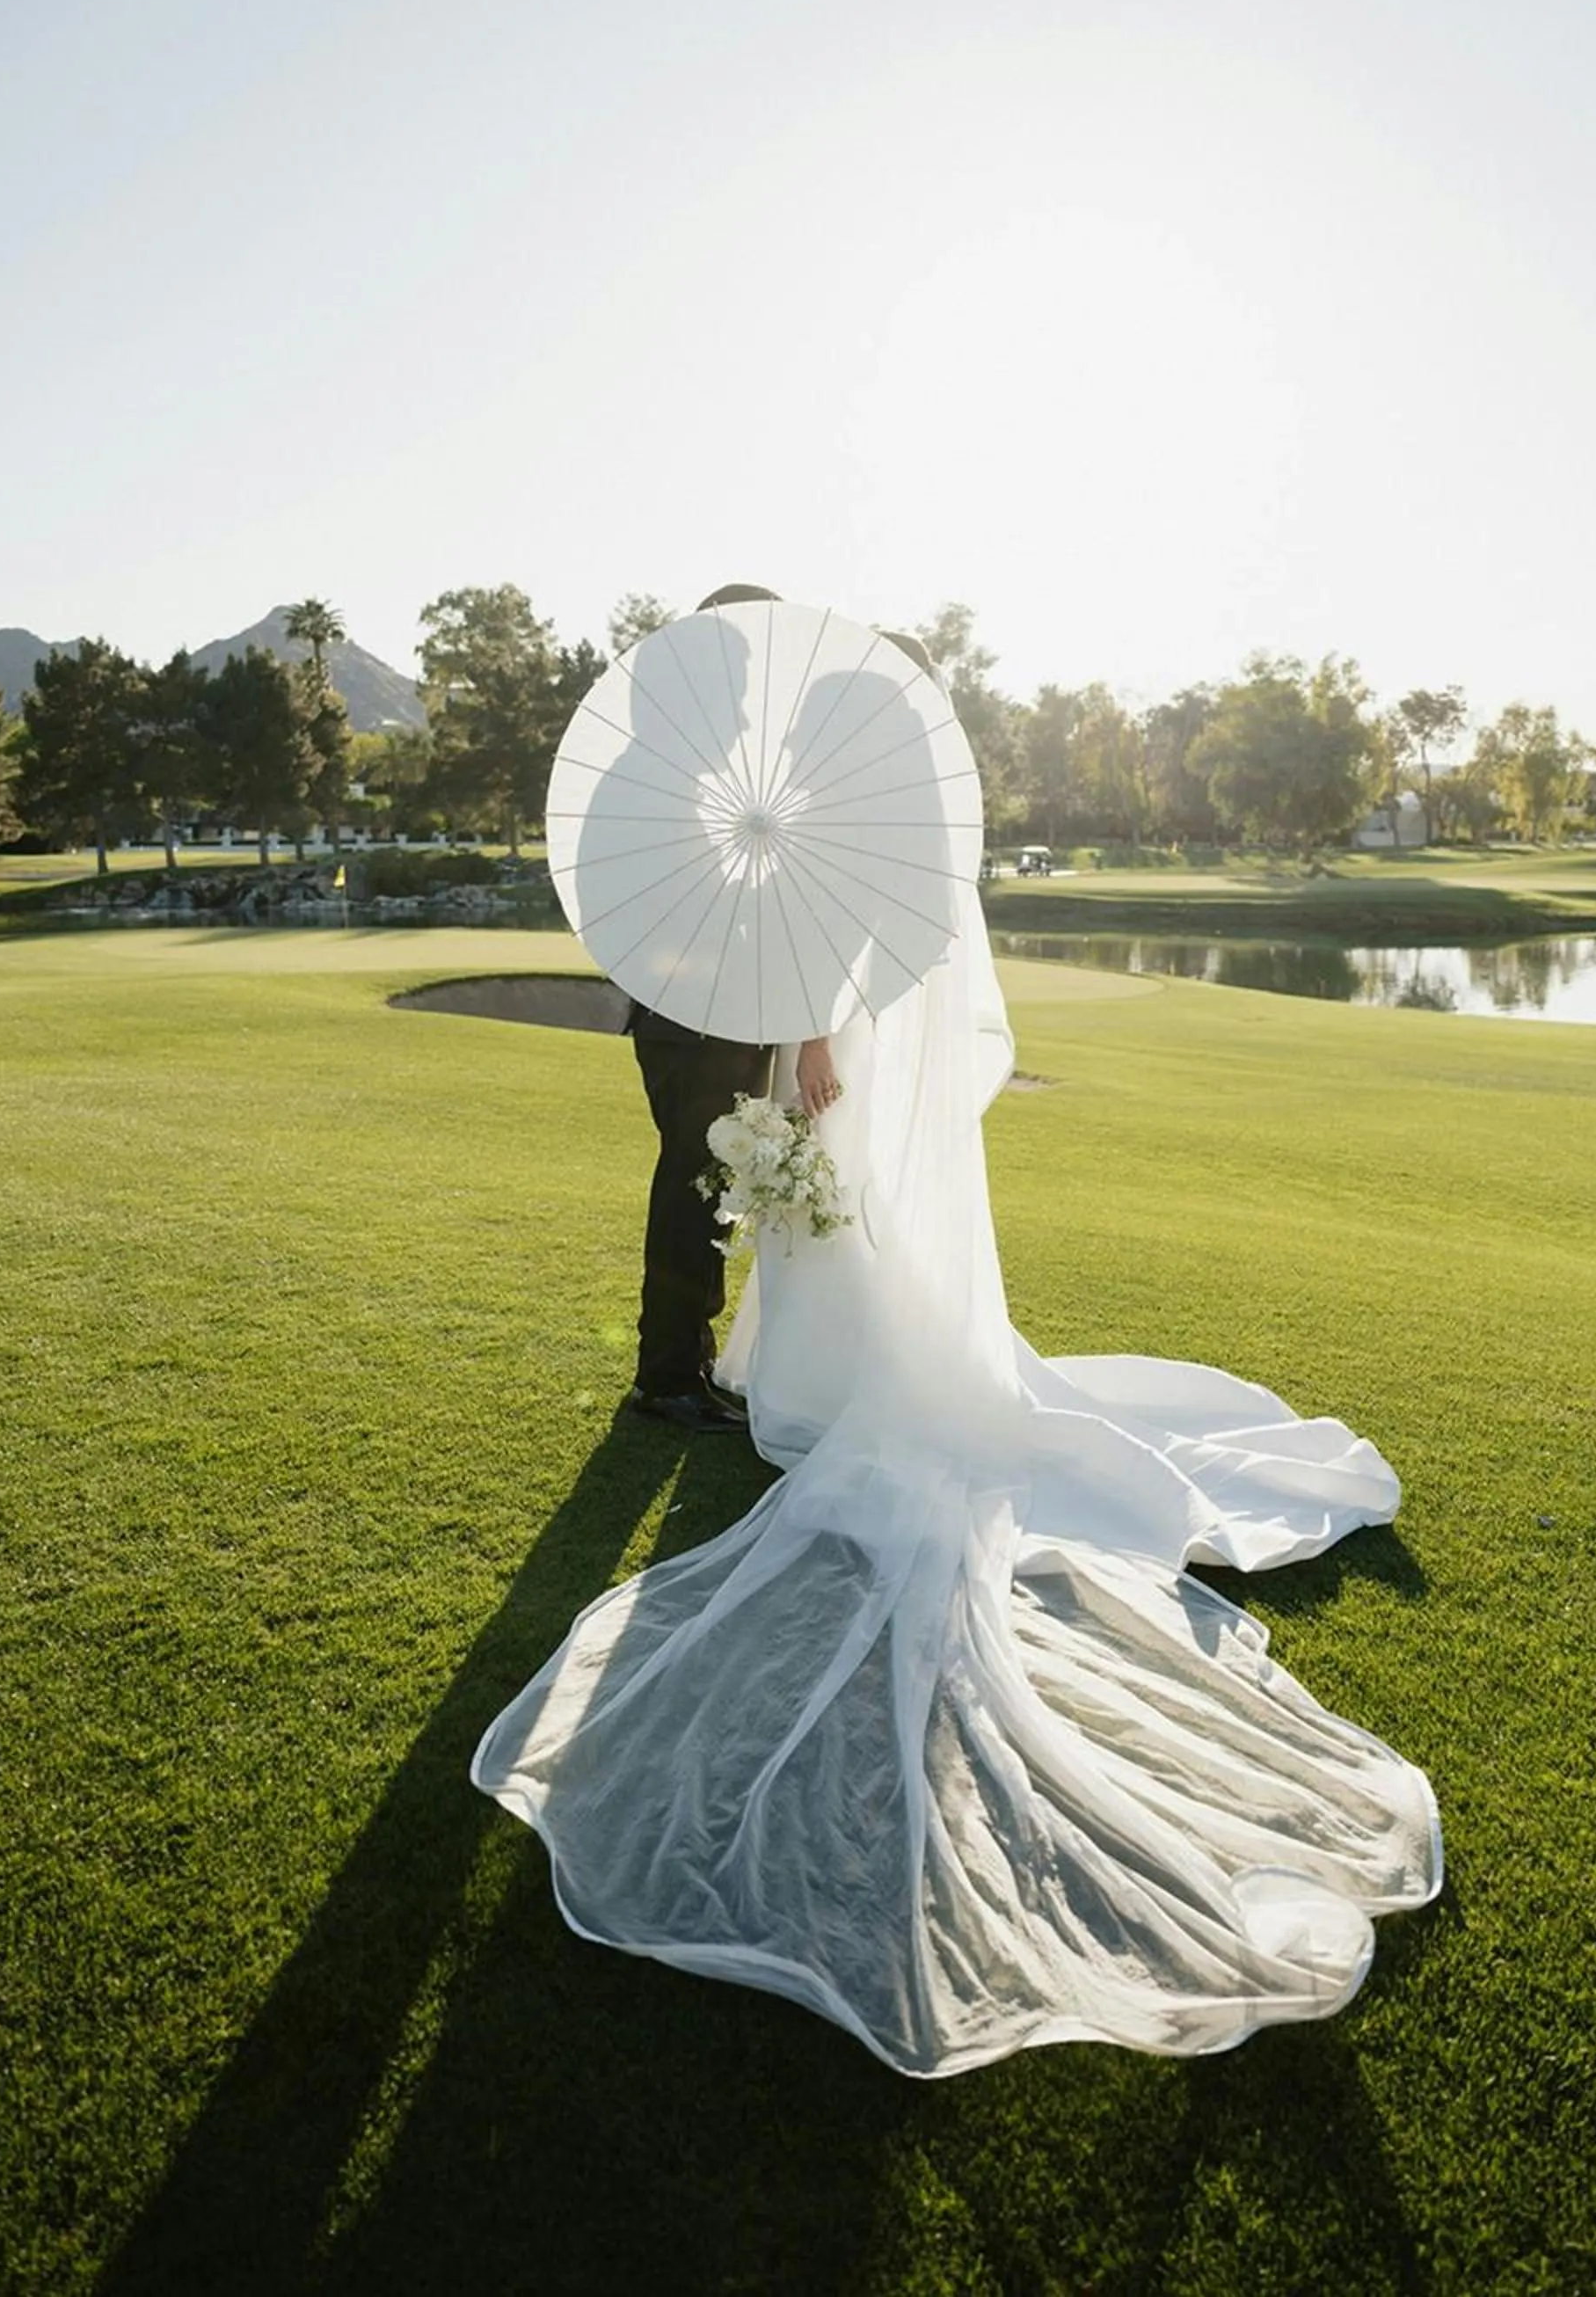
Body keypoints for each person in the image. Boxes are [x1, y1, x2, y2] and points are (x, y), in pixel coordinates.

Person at [475, 637, 1439, 2075]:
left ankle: (789, 1379)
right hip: (833, 1052)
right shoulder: (890, 815)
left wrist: (805, 1043)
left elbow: (822, 946)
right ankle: (769, 1368)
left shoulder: (844, 817)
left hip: (823, 1046)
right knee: (839, 1231)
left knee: (819, 1226)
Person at [618, 584, 845, 1433]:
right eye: (746, 655)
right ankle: (667, 1376)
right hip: (695, 1014)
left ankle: (686, 1360)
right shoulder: (679, 766)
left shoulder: (707, 759)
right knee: (691, 1186)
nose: (754, 678)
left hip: (712, 1012)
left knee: (708, 1186)